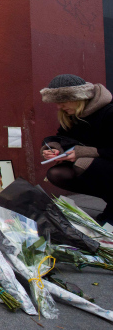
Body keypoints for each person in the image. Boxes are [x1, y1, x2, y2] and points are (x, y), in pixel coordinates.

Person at [40, 74, 113, 225]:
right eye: (57, 102)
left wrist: (84, 153)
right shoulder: (71, 114)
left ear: (79, 97)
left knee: (87, 165)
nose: (59, 107)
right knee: (56, 173)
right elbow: (62, 137)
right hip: (102, 166)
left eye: (63, 101)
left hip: (107, 163)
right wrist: (53, 148)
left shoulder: (109, 112)